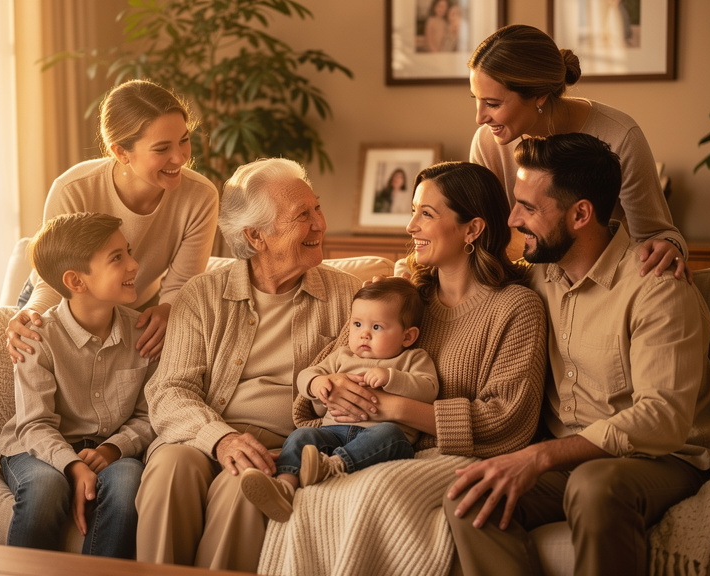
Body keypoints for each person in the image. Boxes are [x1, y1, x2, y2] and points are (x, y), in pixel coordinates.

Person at [444, 133, 710, 576]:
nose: (514, 218)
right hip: (571, 459)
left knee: (594, 485)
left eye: (529, 207)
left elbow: (663, 417)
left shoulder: (657, 288)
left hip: (665, 459)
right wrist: (406, 286)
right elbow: (466, 285)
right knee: (472, 496)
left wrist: (540, 457)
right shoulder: (536, 278)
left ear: (580, 214)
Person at [257, 161, 548, 575]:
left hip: (450, 456)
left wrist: (390, 407)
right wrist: (332, 388)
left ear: (472, 229)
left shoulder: (517, 308)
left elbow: (507, 419)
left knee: (375, 491)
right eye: (413, 211)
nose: (411, 226)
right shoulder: (404, 300)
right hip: (368, 447)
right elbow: (326, 379)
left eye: (426, 214)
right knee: (314, 495)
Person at [134, 158, 363, 572]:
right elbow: (169, 391)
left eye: (317, 208)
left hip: (283, 444)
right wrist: (220, 438)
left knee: (242, 488)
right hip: (201, 433)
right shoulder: (202, 295)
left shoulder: (349, 296)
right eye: (302, 215)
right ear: (256, 236)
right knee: (169, 469)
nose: (319, 224)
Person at [6, 79, 218, 363]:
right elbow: (55, 279)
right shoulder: (74, 189)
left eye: (184, 140)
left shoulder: (201, 196)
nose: (180, 158)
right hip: (63, 301)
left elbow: (181, 284)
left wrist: (169, 309)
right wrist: (33, 315)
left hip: (139, 308)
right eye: (161, 149)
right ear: (120, 152)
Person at [467, 24, 689, 280]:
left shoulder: (620, 136)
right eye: (476, 99)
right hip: (523, 282)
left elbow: (656, 234)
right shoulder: (486, 143)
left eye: (492, 104)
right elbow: (479, 237)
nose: (479, 118)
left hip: (605, 283)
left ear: (539, 95)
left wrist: (669, 247)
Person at [0, 212, 156, 558]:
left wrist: (112, 449)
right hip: (34, 447)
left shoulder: (144, 335)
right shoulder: (37, 338)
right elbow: (34, 424)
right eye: (117, 258)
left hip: (110, 449)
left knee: (128, 484)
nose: (134, 264)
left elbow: (150, 415)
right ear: (76, 281)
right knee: (45, 488)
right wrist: (72, 465)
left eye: (128, 252)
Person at [238, 277, 439, 522]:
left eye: (377, 327)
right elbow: (306, 375)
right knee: (301, 436)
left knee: (391, 435)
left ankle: (331, 466)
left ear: (407, 337)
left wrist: (391, 377)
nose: (364, 334)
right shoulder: (342, 356)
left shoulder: (413, 358)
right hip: (332, 432)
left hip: (377, 437)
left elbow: (429, 389)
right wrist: (317, 383)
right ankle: (284, 486)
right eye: (357, 324)